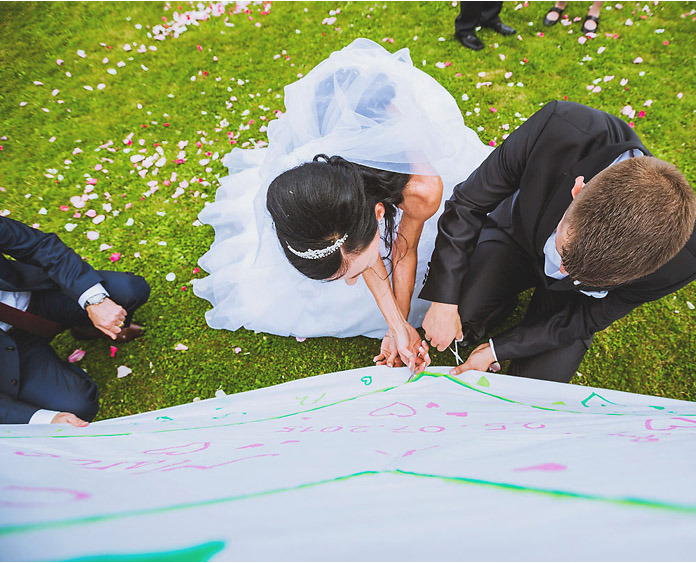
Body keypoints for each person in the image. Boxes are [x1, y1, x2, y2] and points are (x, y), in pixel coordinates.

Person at [193, 38, 492, 371]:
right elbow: (358, 247)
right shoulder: (317, 190)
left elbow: (403, 250)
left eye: (355, 271)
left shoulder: (422, 189)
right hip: (334, 151)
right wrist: (396, 326)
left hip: (390, 151)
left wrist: (400, 322)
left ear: (379, 213)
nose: (351, 282)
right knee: (355, 252)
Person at [420, 100, 696, 383]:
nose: (559, 271)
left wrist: (499, 349)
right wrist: (444, 300)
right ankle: (497, 305)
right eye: (562, 253)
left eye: (579, 276)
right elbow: (468, 204)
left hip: (572, 300)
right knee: (465, 310)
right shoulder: (559, 127)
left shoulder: (685, 262)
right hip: (519, 237)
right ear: (577, 190)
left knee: (537, 386)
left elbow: (586, 318)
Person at [0, 215, 149, 425]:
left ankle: (88, 327)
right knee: (78, 406)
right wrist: (45, 419)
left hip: (37, 298)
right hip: (4, 353)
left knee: (129, 290)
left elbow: (39, 245)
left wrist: (94, 301)